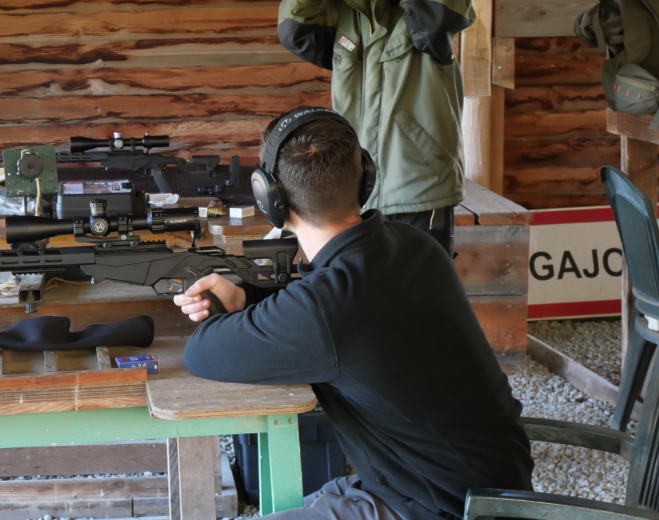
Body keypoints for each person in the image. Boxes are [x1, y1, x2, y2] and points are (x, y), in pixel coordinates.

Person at [175, 107, 533, 520]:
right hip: (480, 486)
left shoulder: (326, 307)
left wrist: (225, 308)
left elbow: (201, 352)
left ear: (271, 199)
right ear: (365, 177)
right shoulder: (411, 244)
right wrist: (244, 299)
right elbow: (328, 308)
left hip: (434, 508)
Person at [277, 0, 475, 256]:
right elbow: (294, 31)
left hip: (419, 186)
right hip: (357, 187)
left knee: (420, 297)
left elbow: (438, 18)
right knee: (368, 298)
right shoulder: (345, 8)